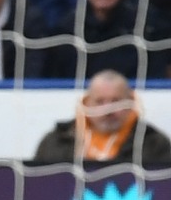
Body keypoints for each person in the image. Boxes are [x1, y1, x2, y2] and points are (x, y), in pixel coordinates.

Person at [31, 69, 171, 166]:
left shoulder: (154, 143)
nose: (108, 110)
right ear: (86, 102)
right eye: (100, 101)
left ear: (131, 101)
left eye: (115, 101)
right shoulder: (56, 141)